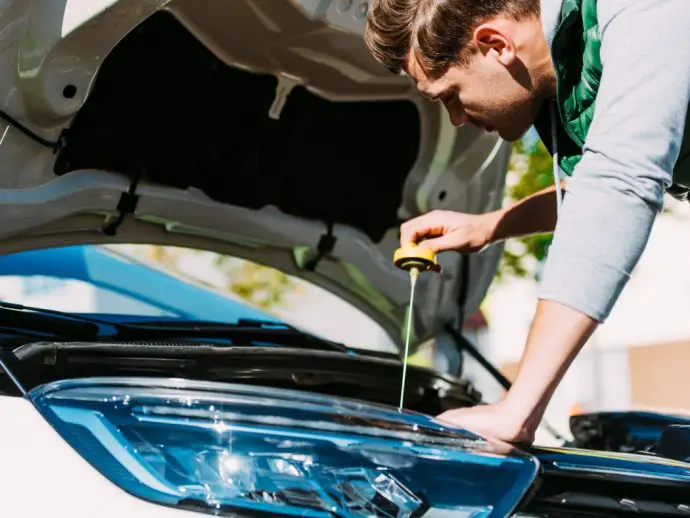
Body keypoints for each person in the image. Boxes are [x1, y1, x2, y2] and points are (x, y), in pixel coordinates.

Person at [364, 0, 690, 444]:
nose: (457, 119)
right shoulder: (565, 73)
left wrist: (518, 409)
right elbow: (591, 184)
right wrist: (490, 226)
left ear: (495, 44)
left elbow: (620, 183)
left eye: (451, 96)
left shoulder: (640, 9)